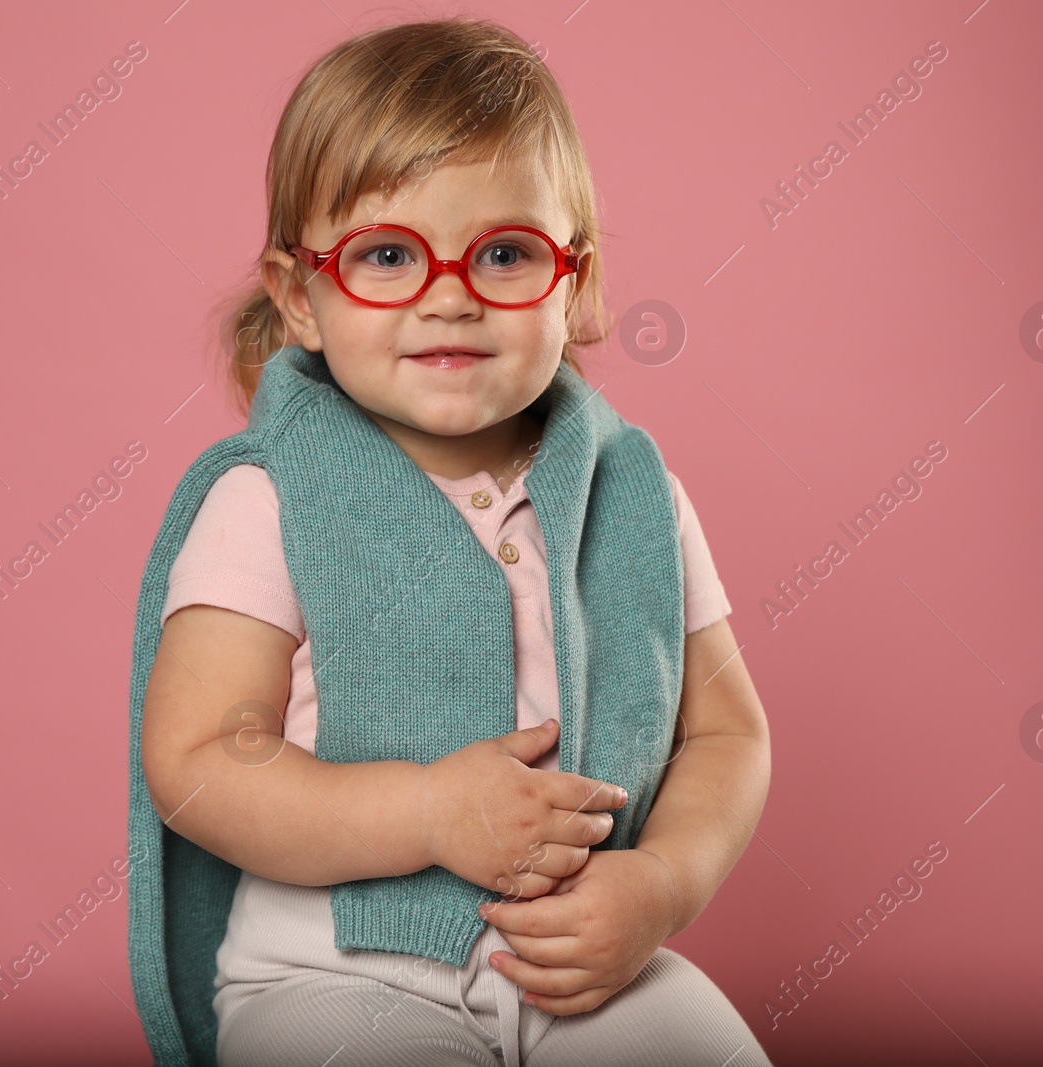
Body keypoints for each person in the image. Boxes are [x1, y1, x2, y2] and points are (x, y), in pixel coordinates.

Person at [125, 16, 774, 1067]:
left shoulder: (634, 493)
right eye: (387, 253)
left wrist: (659, 885)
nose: (449, 293)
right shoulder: (267, 499)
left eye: (505, 252)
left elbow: (727, 735)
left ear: (577, 282)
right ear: (300, 294)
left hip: (577, 963)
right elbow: (197, 761)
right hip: (330, 978)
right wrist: (426, 810)